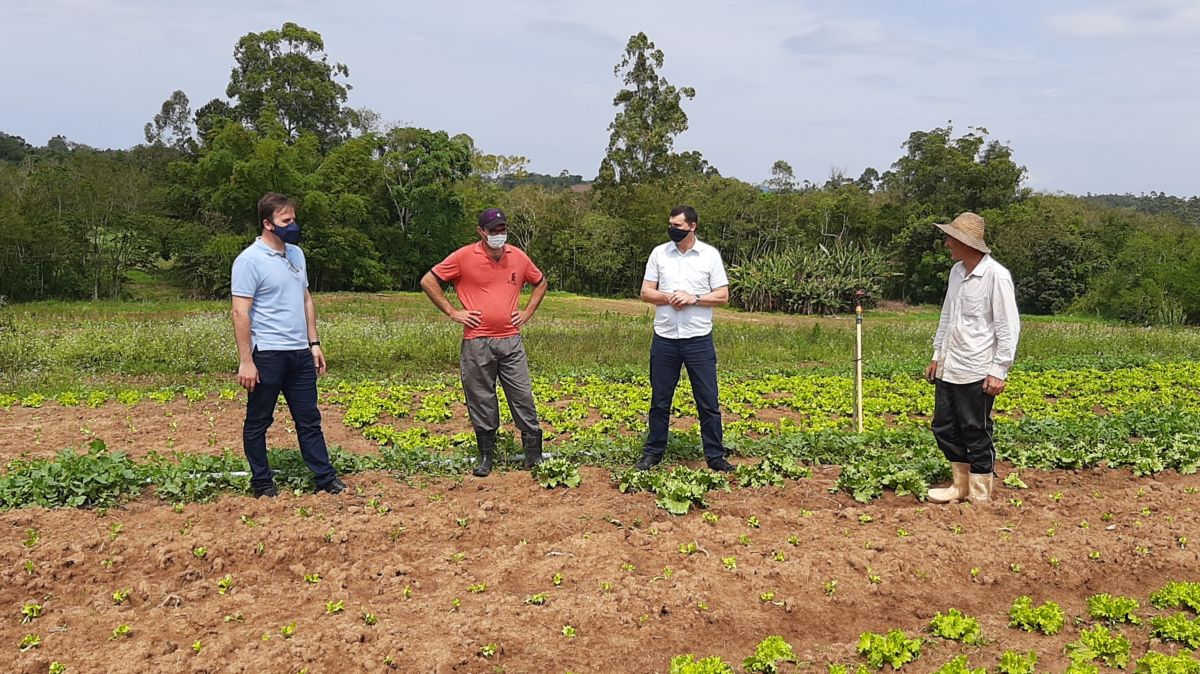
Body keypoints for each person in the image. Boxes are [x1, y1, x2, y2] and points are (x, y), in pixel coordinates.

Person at [231, 193, 345, 497]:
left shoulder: (296, 254)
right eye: (286, 221)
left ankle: (325, 477)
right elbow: (240, 312)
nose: (293, 225)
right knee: (258, 421)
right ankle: (262, 483)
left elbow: (306, 298)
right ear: (268, 224)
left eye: (293, 219)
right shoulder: (248, 261)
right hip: (267, 354)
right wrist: (246, 360)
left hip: (299, 354)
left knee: (309, 418)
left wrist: (314, 342)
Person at [420, 208, 549, 477]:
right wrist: (453, 312)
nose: (499, 235)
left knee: (522, 395)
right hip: (477, 341)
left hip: (511, 341)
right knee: (481, 397)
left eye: (502, 230)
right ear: (481, 232)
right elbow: (428, 280)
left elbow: (540, 282)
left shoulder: (518, 257)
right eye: (493, 231)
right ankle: (486, 457)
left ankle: (533, 455)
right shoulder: (463, 257)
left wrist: (526, 312)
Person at [923, 211, 1020, 503]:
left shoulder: (996, 276)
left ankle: (979, 493)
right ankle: (960, 484)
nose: (947, 244)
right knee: (943, 426)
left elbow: (1008, 326)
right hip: (950, 365)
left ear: (967, 243)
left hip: (977, 369)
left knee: (975, 430)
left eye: (951, 239)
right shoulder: (956, 272)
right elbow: (947, 316)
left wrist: (999, 369)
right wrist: (937, 355)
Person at [634, 205, 735, 472]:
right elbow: (646, 292)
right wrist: (670, 296)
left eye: (678, 226)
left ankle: (715, 456)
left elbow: (723, 296)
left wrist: (694, 298)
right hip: (665, 338)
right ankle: (653, 453)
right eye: (670, 225)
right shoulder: (659, 253)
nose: (672, 230)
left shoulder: (709, 256)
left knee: (708, 400)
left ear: (692, 226)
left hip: (698, 339)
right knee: (660, 400)